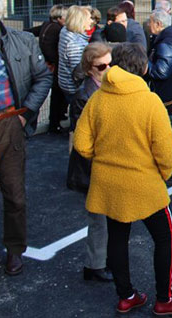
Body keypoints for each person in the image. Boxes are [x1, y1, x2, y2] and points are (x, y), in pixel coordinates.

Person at [73, 43, 172, 315]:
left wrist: (101, 158)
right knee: (164, 238)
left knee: (117, 238)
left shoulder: (98, 99)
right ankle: (165, 298)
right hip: (145, 183)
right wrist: (163, 174)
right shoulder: (149, 100)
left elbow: (81, 144)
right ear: (143, 68)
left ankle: (126, 295)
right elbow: (166, 151)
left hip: (109, 184)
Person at [0, 0, 51, 275]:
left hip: (10, 122)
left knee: (14, 191)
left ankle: (14, 249)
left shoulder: (20, 41)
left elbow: (43, 77)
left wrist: (26, 114)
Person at [68, 42, 114, 283]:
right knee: (99, 219)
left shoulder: (107, 87)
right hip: (93, 167)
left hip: (107, 164)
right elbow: (85, 139)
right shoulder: (84, 96)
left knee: (110, 218)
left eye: (111, 63)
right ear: (89, 69)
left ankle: (102, 261)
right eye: (102, 66)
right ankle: (94, 265)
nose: (108, 69)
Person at [146, 9, 172, 185]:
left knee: (170, 134)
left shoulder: (166, 43)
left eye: (150, 22)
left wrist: (145, 64)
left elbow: (161, 71)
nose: (148, 25)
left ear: (158, 24)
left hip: (164, 95)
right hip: (171, 93)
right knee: (169, 132)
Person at [39, 4, 68, 134]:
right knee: (57, 96)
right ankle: (55, 123)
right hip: (55, 65)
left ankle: (56, 121)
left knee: (56, 95)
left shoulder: (46, 25)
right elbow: (49, 48)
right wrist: (53, 61)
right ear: (59, 17)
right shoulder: (58, 30)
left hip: (49, 63)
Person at [58, 5, 93, 102]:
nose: (91, 21)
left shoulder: (65, 31)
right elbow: (78, 73)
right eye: (89, 18)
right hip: (74, 89)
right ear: (80, 21)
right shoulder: (75, 44)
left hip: (65, 83)